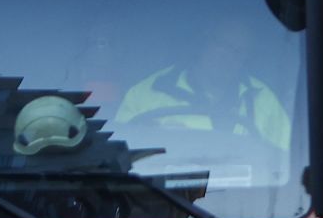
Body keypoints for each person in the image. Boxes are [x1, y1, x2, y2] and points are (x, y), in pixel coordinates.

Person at [115, 17, 292, 151]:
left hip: (243, 198)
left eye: (239, 51)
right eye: (222, 45)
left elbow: (285, 158)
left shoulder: (263, 98)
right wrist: (158, 140)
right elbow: (119, 156)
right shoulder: (146, 93)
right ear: (205, 42)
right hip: (160, 197)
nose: (229, 56)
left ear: (246, 58)